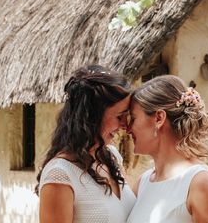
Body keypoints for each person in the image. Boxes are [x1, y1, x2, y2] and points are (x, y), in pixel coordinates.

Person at [127, 75, 208, 223]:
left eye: (133, 119)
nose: (127, 129)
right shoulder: (142, 183)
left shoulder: (200, 183)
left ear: (159, 118)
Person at [37, 65, 135, 223]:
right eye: (119, 117)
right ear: (92, 116)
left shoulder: (112, 156)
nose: (125, 125)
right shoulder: (60, 175)